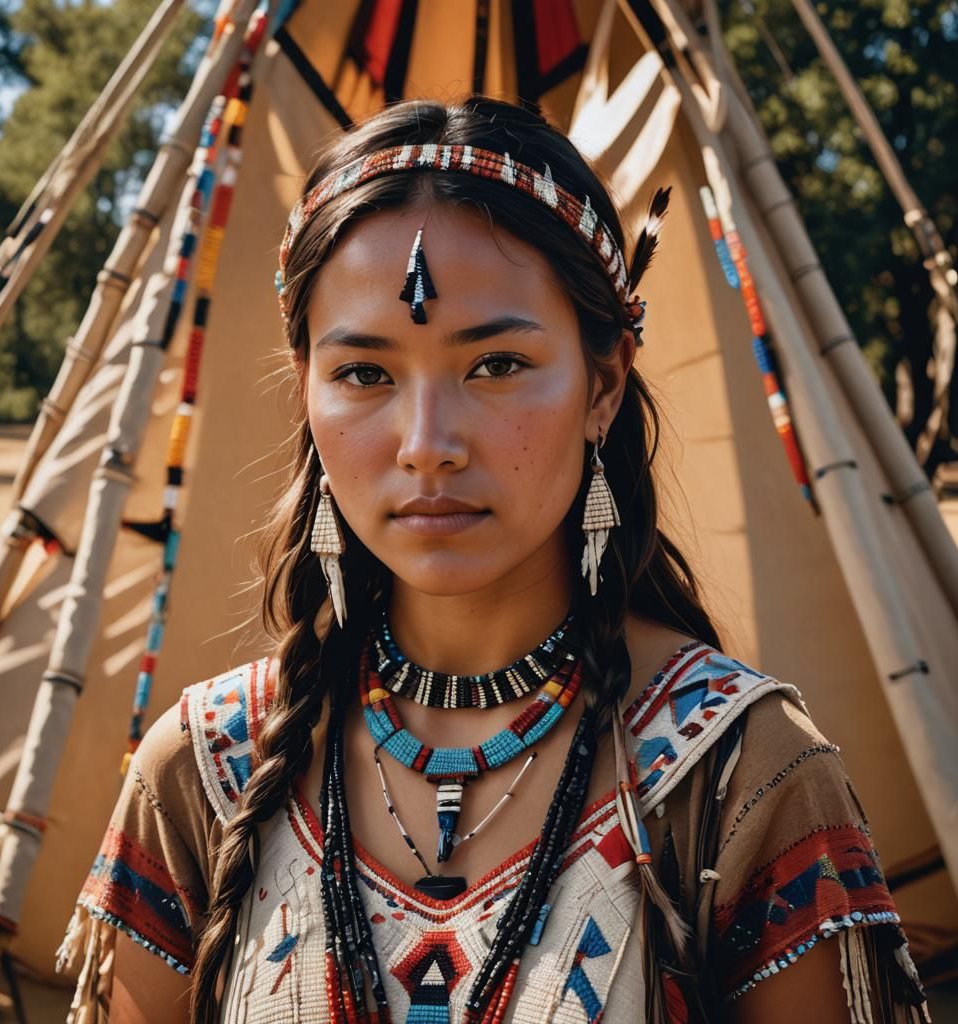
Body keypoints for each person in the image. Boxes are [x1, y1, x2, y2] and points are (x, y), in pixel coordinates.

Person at [57, 97, 929, 1024]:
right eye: (364, 374)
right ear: (306, 392)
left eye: (498, 365)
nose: (427, 444)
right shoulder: (209, 768)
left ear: (604, 384)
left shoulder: (739, 774)